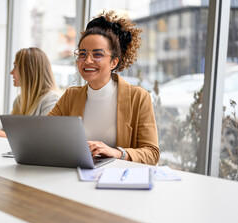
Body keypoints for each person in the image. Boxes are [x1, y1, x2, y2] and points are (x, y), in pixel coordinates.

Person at [49, 10, 160, 165]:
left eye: (98, 54)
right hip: (76, 178)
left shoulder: (139, 98)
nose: (87, 61)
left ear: (114, 62)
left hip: (117, 182)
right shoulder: (70, 96)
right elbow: (44, 135)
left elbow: (151, 153)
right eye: (82, 54)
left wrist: (116, 152)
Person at [0, 47, 60, 137]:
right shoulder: (19, 101)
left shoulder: (51, 99)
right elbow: (6, 133)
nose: (11, 72)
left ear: (29, 70)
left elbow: (41, 137)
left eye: (15, 66)